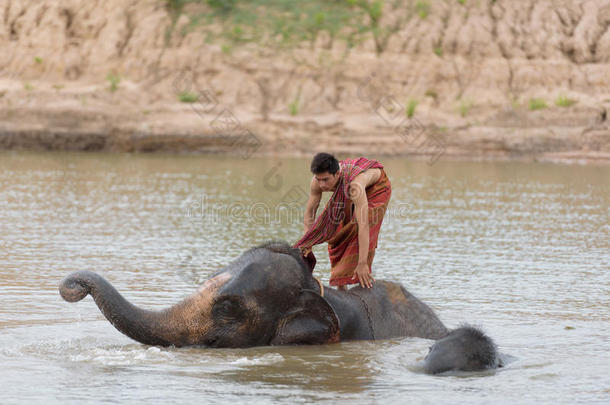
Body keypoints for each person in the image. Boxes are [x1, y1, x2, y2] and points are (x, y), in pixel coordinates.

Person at [293, 153, 392, 290]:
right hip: (349, 190)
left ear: (337, 174)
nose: (322, 184)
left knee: (359, 226)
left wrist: (362, 263)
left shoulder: (355, 186)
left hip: (376, 188)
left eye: (326, 180)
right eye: (319, 179)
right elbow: (310, 213)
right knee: (338, 233)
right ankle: (341, 287)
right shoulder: (317, 182)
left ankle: (364, 278)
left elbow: (363, 226)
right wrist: (308, 241)